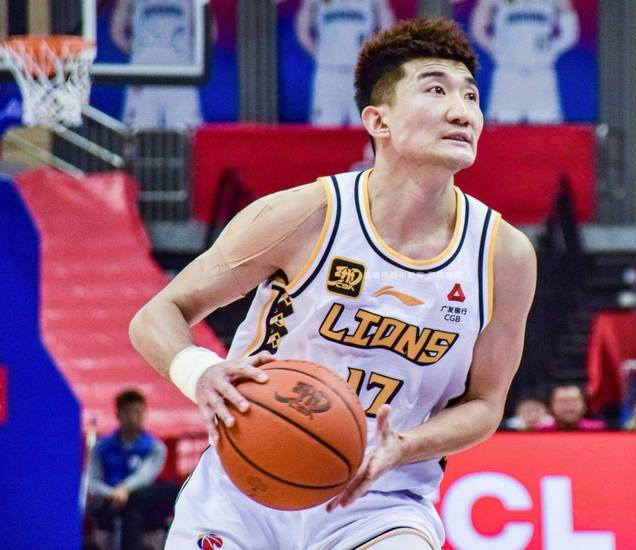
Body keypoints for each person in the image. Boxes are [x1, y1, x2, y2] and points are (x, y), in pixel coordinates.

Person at [129, 17, 536, 549]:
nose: (463, 111)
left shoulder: (504, 256)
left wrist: (402, 444)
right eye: (436, 90)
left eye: (471, 95)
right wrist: (201, 374)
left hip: (381, 500)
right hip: (247, 487)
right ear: (378, 120)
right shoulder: (303, 216)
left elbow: (485, 404)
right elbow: (156, 315)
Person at [86, 389, 179, 550]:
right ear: (118, 414)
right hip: (109, 500)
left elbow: (145, 476)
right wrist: (112, 493)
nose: (134, 417)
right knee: (101, 504)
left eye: (138, 412)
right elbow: (92, 482)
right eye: (128, 412)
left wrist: (125, 489)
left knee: (165, 491)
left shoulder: (156, 447)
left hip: (141, 500)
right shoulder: (101, 448)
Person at [469, 0, 579, 123]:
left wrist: (553, 50)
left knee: (547, 128)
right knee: (502, 127)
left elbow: (570, 32)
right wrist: (496, 49)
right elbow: (478, 28)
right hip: (508, 75)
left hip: (541, 75)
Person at [296, 0, 395, 126]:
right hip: (328, 73)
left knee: (364, 128)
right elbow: (302, 27)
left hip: (360, 72)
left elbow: (387, 22)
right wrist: (317, 53)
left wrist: (374, 48)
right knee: (324, 128)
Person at [110, 0, 203, 128]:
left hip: (181, 76)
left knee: (188, 134)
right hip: (143, 76)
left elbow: (209, 32)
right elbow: (117, 32)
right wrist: (142, 52)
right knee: (138, 133)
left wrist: (182, 52)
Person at [538, 383, 606, 431]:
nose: (568, 406)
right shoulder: (542, 431)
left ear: (585, 406)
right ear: (550, 407)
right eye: (562, 401)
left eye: (574, 401)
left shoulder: (596, 429)